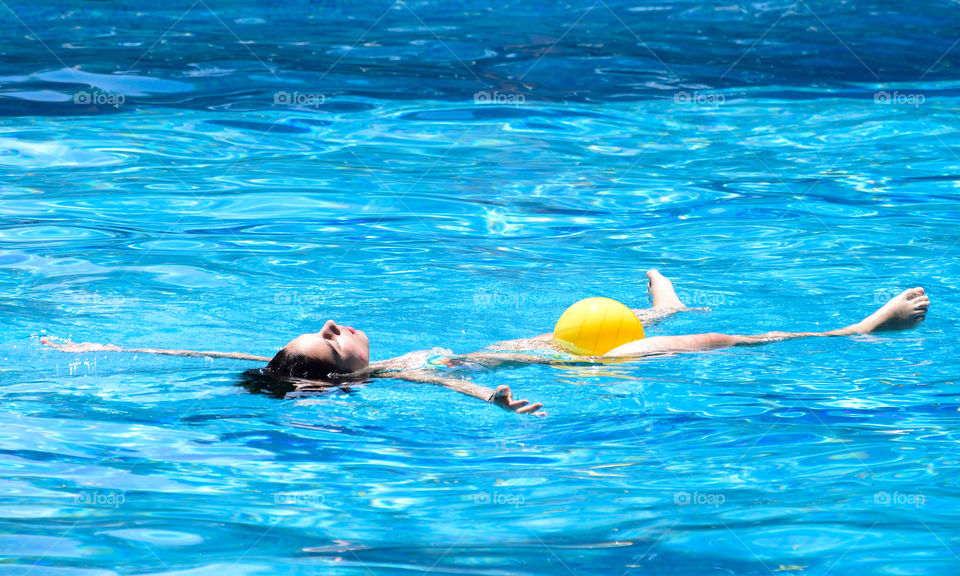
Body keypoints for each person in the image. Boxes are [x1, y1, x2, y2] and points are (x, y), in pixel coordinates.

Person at [42, 271, 930, 416]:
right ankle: (857, 326)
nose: (327, 325)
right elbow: (449, 391)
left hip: (528, 345)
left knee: (626, 322)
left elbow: (204, 359)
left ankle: (665, 306)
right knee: (721, 343)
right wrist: (493, 402)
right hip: (579, 365)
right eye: (326, 340)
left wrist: (110, 348)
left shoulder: (319, 372)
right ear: (348, 370)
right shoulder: (406, 372)